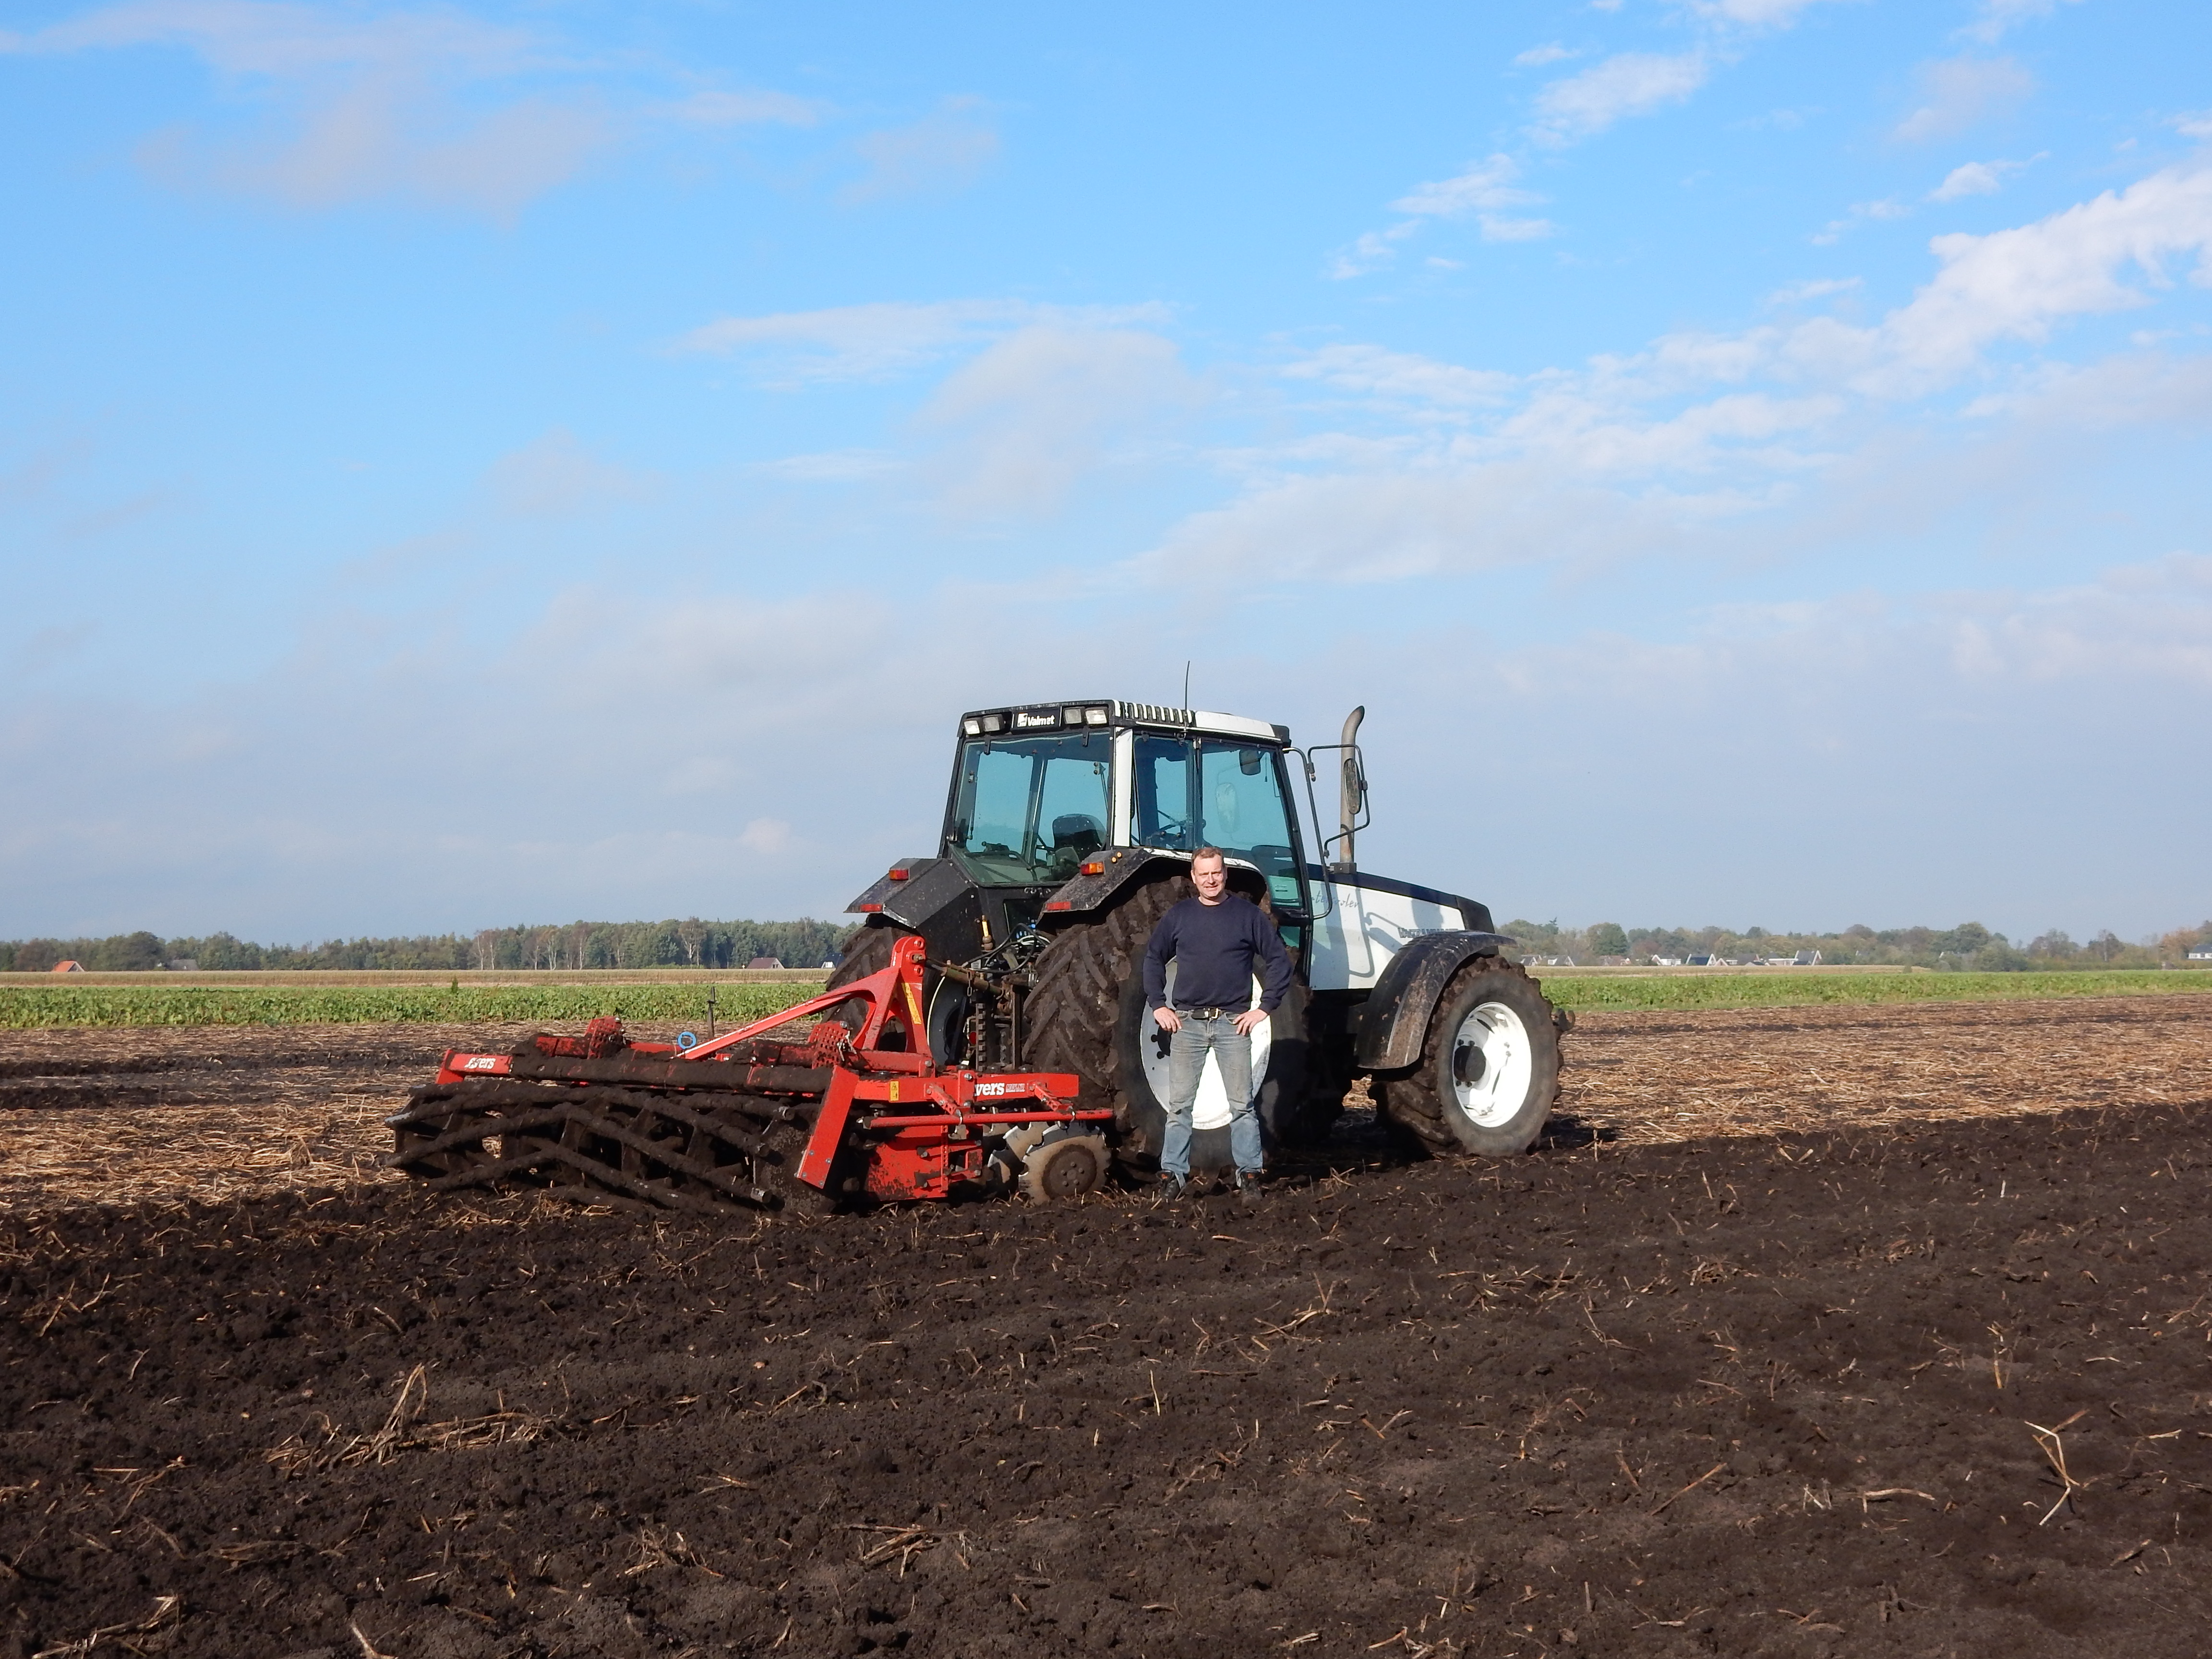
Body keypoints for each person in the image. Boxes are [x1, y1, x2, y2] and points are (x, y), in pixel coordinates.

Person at [1141, 847, 1295, 1205]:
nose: (1210, 880)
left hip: (1232, 1025)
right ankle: (1174, 1177)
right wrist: (1159, 1005)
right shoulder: (1180, 916)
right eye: (1203, 874)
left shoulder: (1247, 916)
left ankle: (1250, 1177)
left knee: (1241, 1106)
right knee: (1180, 1107)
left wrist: (1264, 1009)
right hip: (1188, 1026)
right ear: (1194, 878)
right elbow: (1153, 959)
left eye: (1216, 873)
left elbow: (1278, 961)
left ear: (1225, 874)